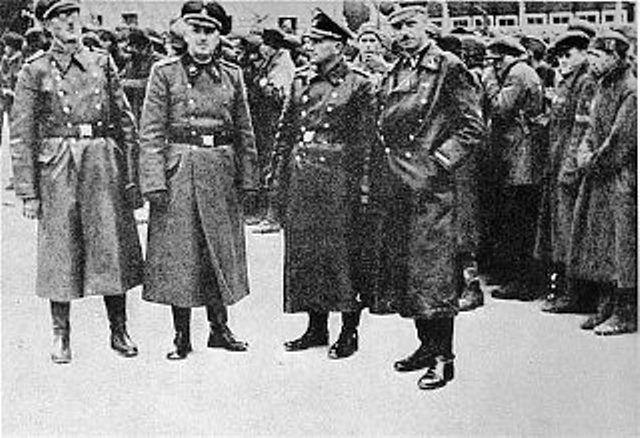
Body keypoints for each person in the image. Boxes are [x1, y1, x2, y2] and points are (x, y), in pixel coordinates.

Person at [10, 0, 143, 364]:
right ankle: (61, 335)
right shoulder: (34, 70)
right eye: (60, 17)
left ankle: (119, 330)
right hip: (58, 164)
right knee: (60, 246)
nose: (70, 23)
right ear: (47, 24)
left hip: (101, 159)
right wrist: (28, 192)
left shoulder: (102, 62)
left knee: (109, 243)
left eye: (74, 15)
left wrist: (132, 178)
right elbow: (22, 134)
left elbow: (125, 121)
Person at [139, 0, 258, 360]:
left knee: (217, 252)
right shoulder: (165, 73)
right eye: (197, 30)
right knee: (181, 254)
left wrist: (249, 179)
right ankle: (181, 336)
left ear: (219, 36)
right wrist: (153, 181)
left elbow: (245, 131)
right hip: (180, 170)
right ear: (184, 33)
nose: (204, 38)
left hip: (221, 170)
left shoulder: (232, 75)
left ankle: (219, 329)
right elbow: (151, 132)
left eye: (211, 31)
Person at [374, 5, 484, 389]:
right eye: (397, 27)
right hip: (397, 183)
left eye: (410, 25)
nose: (403, 32)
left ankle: (443, 357)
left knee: (434, 273)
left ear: (426, 25)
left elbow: (472, 126)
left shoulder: (448, 66)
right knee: (409, 272)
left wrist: (438, 163)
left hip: (431, 187)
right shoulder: (398, 69)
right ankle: (424, 345)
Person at [270, 9, 376, 360]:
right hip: (303, 176)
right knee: (306, 253)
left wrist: (363, 188)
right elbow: (285, 133)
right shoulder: (301, 80)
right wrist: (277, 180)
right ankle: (315, 327)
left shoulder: (358, 84)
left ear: (340, 46)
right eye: (311, 40)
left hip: (338, 180)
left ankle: (349, 329)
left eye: (319, 41)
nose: (310, 46)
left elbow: (365, 144)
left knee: (342, 255)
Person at [568, 30, 637, 335]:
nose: (592, 61)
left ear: (614, 56)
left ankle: (626, 311)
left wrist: (592, 161)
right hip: (598, 176)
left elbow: (620, 141)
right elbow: (589, 130)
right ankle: (606, 305)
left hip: (620, 179)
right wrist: (584, 156)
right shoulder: (600, 86)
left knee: (622, 245)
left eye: (597, 56)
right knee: (600, 242)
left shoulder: (630, 90)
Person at [534, 28, 596, 313]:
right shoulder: (568, 81)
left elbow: (581, 128)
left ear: (583, 53)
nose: (563, 61)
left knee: (570, 231)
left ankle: (576, 294)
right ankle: (565, 289)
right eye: (560, 56)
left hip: (569, 166)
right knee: (558, 230)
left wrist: (570, 167)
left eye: (568, 55)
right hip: (556, 161)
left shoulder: (585, 82)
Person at [483, 36, 546, 301]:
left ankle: (524, 281)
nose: (494, 67)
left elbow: (500, 108)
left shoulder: (518, 75)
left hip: (522, 157)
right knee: (516, 219)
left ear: (507, 56)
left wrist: (489, 82)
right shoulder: (521, 71)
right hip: (519, 154)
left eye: (496, 62)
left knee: (520, 221)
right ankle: (517, 276)